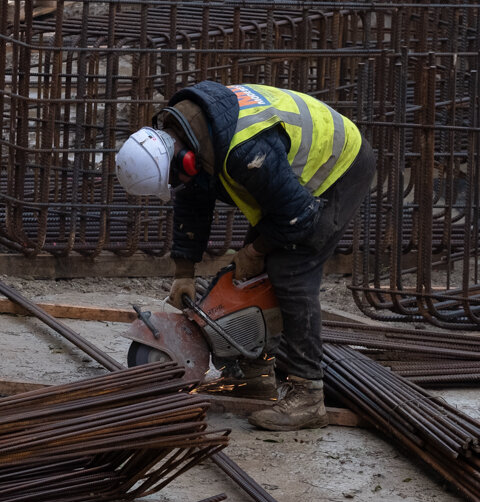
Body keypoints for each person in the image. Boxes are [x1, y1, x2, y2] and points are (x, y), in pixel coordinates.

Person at [114, 81, 376, 431]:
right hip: (288, 180)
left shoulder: (244, 150)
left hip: (338, 166)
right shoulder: (191, 134)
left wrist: (255, 249)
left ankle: (308, 395)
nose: (179, 184)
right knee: (245, 277)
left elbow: (299, 216)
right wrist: (184, 271)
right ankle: (256, 373)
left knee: (289, 271)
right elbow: (193, 204)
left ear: (183, 158)